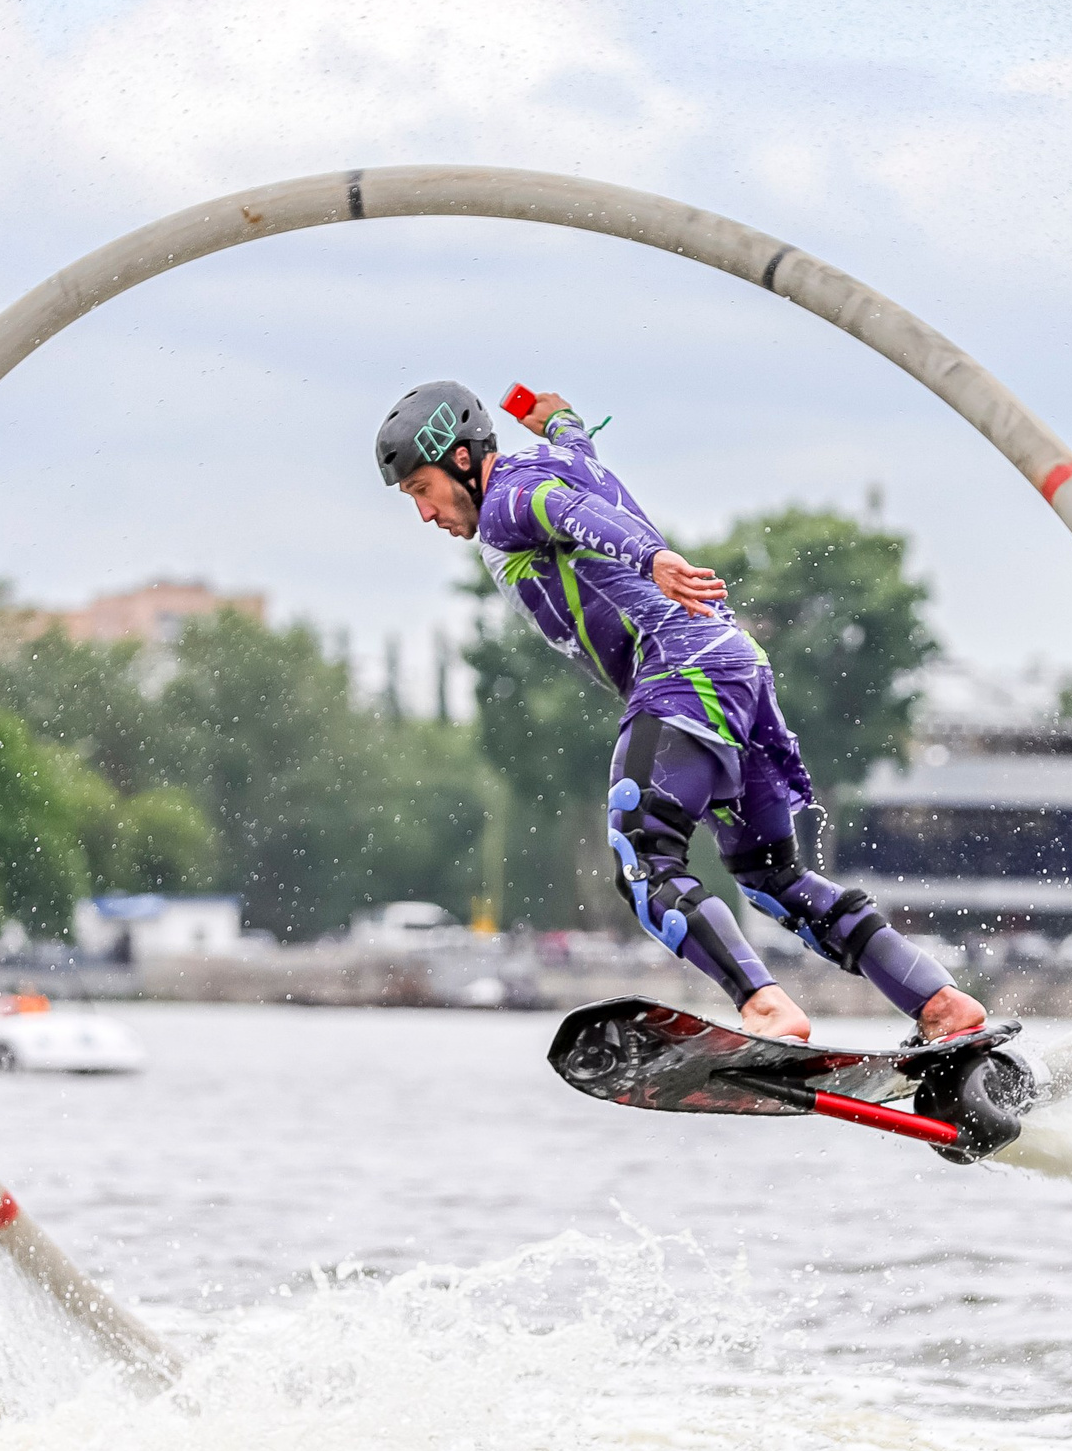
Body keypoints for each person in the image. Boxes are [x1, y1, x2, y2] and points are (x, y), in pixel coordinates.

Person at [375, 378, 988, 1045]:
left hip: (681, 669)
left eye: (422, 490)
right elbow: (571, 440)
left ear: (462, 459)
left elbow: (566, 511)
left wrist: (652, 557)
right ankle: (938, 1003)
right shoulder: (561, 454)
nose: (426, 514)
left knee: (643, 852)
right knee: (770, 873)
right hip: (736, 662)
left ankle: (765, 1007)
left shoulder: (508, 501)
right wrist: (557, 416)